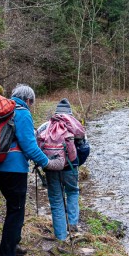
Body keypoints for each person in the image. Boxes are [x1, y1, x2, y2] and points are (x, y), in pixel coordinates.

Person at [0, 84, 63, 256]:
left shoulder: (3, 111)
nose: (31, 106)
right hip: (13, 169)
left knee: (14, 207)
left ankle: (12, 246)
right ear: (28, 100)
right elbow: (29, 147)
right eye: (32, 103)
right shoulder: (22, 113)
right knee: (16, 210)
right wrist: (47, 163)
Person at [40, 98, 89, 241]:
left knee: (56, 200)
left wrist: (44, 163)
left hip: (51, 167)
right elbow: (85, 148)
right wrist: (76, 164)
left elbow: (37, 144)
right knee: (73, 192)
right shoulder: (75, 125)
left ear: (56, 112)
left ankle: (61, 236)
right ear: (70, 113)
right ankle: (72, 225)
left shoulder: (45, 126)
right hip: (70, 167)